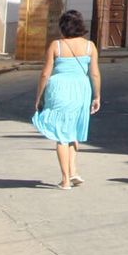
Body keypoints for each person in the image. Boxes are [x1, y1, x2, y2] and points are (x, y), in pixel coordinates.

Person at [31, 10, 101, 189]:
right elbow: (94, 73)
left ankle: (65, 180)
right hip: (81, 89)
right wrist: (97, 96)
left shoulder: (56, 46)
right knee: (73, 129)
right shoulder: (90, 46)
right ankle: (73, 171)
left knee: (61, 134)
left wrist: (39, 96)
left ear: (63, 27)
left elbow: (45, 73)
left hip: (59, 89)